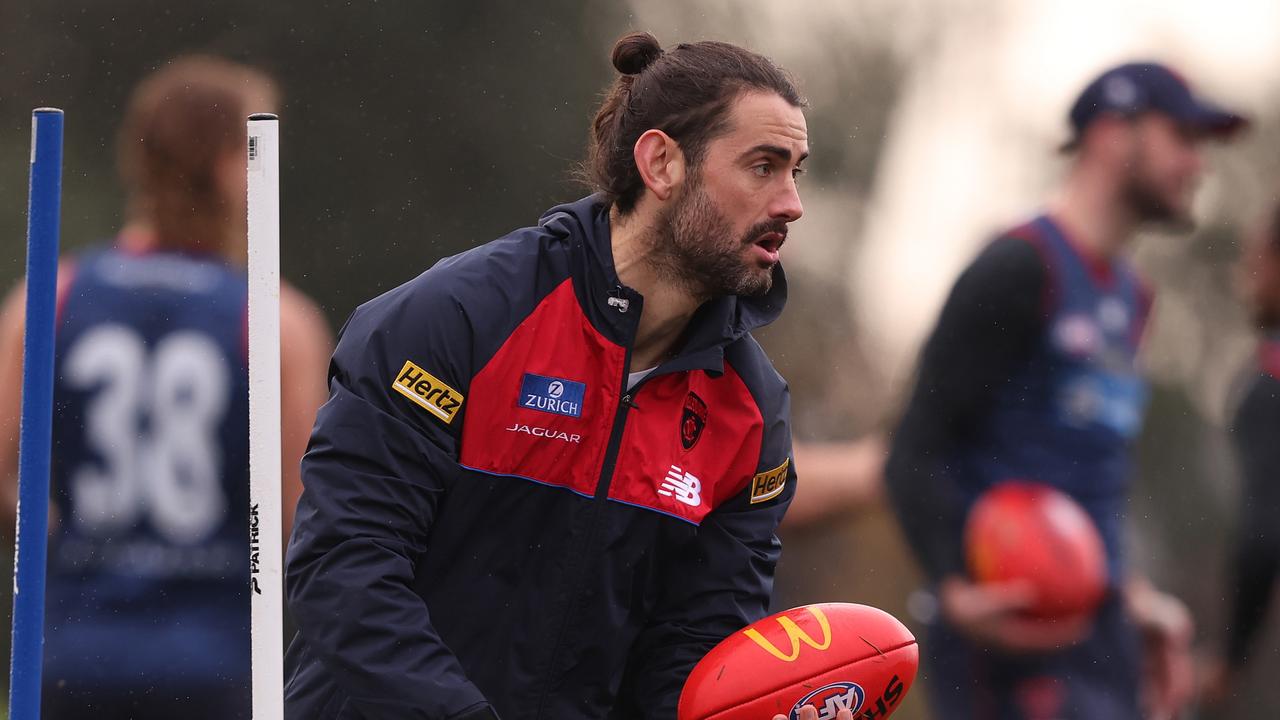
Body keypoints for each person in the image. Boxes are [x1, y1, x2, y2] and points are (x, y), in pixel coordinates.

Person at [285, 32, 809, 720]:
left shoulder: (752, 412)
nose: (791, 202)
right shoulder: (456, 319)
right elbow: (345, 570)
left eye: (797, 170)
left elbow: (692, 655)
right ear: (660, 163)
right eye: (763, 167)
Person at [884, 62, 1245, 719]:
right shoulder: (1018, 268)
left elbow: (1091, 476)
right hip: (1006, 638)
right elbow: (914, 445)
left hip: (1100, 636)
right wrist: (957, 589)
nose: (1198, 166)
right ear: (1113, 135)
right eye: (1183, 140)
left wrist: (1135, 602)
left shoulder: (1134, 297)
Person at [0, 55, 333, 718]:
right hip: (211, 661)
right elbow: (311, 519)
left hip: (73, 654)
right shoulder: (275, 321)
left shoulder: (50, 297)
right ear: (223, 165)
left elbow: (8, 474)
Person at [1200, 201, 1280, 705]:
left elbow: (1264, 533)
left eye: (1255, 257)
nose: (1243, 276)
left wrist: (1228, 659)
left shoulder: (1270, 381)